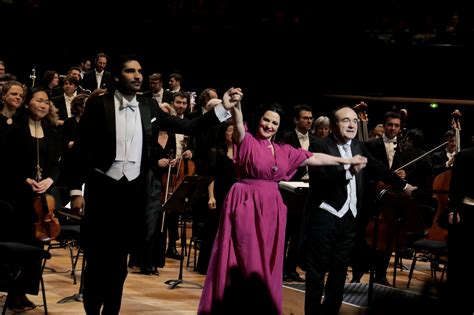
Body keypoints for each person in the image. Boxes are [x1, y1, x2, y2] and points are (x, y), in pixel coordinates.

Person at [66, 55, 234, 315]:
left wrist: (222, 108)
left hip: (132, 193)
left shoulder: (149, 107)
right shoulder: (98, 105)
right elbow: (81, 150)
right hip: (102, 191)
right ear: (116, 77)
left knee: (120, 265)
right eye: (130, 71)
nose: (137, 76)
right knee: (97, 260)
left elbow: (189, 125)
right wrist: (76, 191)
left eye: (139, 71)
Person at [198, 92, 367, 315]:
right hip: (246, 203)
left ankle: (259, 306)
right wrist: (237, 105)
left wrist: (346, 160)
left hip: (272, 208)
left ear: (279, 127)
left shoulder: (283, 150)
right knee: (246, 256)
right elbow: (238, 123)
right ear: (259, 119)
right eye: (266, 120)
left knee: (267, 259)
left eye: (274, 123)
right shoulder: (247, 140)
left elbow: (314, 158)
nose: (269, 125)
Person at [302, 106, 416, 315]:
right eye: (346, 120)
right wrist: (349, 172)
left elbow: (379, 168)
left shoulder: (359, 146)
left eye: (354, 121)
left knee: (339, 272)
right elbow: (322, 181)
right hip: (325, 217)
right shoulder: (320, 145)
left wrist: (404, 186)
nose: (352, 124)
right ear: (335, 125)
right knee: (317, 272)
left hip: (349, 219)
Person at [2, 87, 61, 311]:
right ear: (29, 103)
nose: (44, 105)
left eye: (47, 101)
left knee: (37, 244)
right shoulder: (15, 128)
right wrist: (25, 179)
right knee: (19, 243)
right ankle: (12, 292)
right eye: (39, 100)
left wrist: (50, 181)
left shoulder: (52, 131)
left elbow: (56, 164)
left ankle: (25, 292)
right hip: (19, 196)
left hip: (43, 199)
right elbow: (6, 162)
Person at [282, 104, 316, 282]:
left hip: (308, 191)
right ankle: (279, 269)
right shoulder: (286, 137)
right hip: (290, 189)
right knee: (285, 232)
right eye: (305, 117)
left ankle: (291, 269)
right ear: (296, 120)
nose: (309, 120)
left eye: (311, 118)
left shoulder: (317, 140)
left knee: (300, 234)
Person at [445, 145, 474, 315]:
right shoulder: (465, 155)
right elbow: (455, 185)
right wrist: (453, 210)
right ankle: (455, 304)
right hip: (466, 212)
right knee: (460, 261)